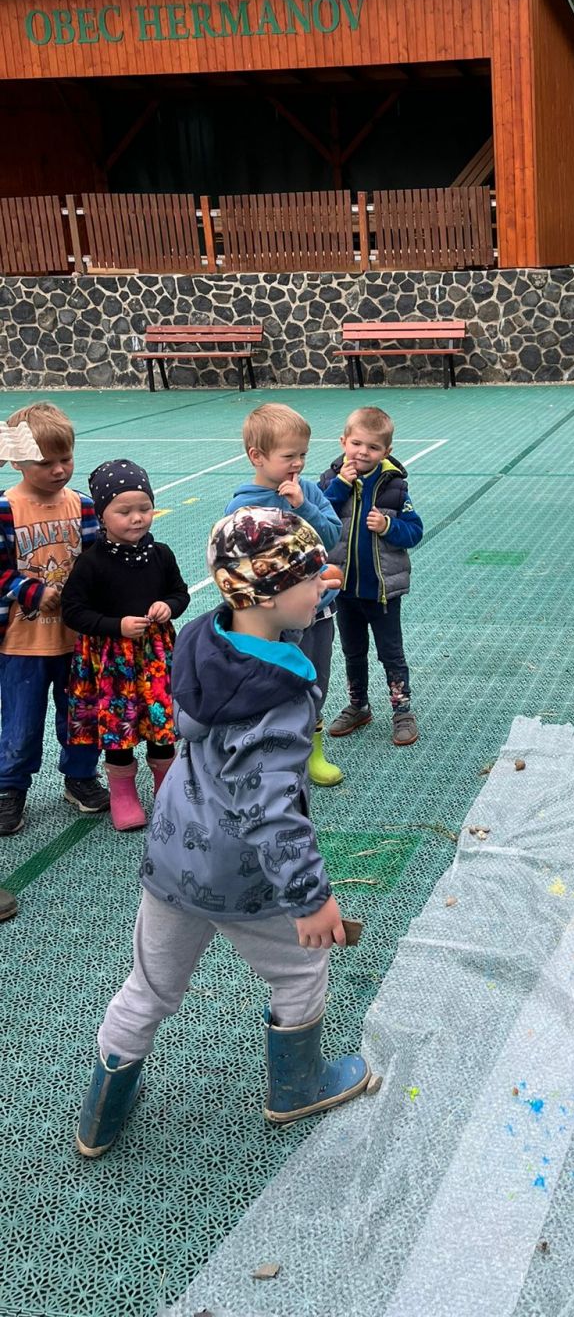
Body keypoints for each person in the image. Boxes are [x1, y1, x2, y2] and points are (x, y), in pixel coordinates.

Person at [75, 507, 371, 1159]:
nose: (323, 582)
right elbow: (271, 810)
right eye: (308, 575)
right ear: (265, 594)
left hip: (173, 854)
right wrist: (311, 898)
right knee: (302, 969)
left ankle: (100, 1116)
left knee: (148, 988)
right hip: (242, 873)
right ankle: (296, 1088)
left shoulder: (200, 640)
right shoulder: (280, 692)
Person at [60, 460, 190, 831]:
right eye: (124, 511)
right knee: (119, 731)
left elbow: (179, 593)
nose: (137, 518)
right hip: (111, 662)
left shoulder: (160, 554)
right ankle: (123, 794)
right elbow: (74, 611)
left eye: (144, 508)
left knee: (161, 726)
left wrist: (168, 606)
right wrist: (115, 626)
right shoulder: (91, 563)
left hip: (154, 657)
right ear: (101, 515)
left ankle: (167, 790)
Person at [0, 403, 106, 836]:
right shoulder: (5, 509)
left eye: (66, 459)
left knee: (81, 716)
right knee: (21, 724)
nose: (59, 470)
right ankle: (9, 788)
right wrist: (32, 591)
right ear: (16, 461)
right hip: (20, 644)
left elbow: (99, 563)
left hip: (76, 640)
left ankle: (80, 776)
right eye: (46, 463)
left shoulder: (83, 506)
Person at [225, 403, 345, 787]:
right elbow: (237, 563)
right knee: (275, 681)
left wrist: (302, 506)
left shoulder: (307, 491)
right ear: (256, 457)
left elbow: (331, 536)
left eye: (303, 455)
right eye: (288, 456)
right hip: (272, 620)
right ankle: (275, 751)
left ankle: (312, 750)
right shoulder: (243, 506)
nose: (298, 464)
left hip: (317, 610)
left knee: (315, 678)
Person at [319, 406, 423, 747]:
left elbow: (414, 531)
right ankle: (358, 705)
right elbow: (316, 517)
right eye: (357, 444)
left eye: (373, 447)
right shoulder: (330, 480)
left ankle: (402, 710)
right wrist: (340, 486)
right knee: (352, 651)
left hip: (381, 591)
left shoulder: (394, 487)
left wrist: (388, 525)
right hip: (344, 589)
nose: (363, 452)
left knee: (391, 653)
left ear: (386, 451)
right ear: (343, 442)